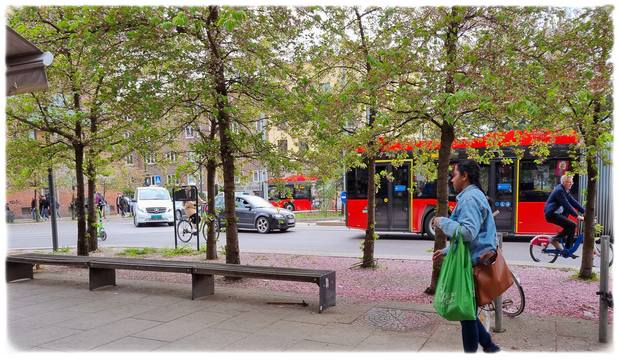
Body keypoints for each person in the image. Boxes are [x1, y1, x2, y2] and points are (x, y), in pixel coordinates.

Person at [431, 159, 501, 353]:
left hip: (472, 264)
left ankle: (482, 349)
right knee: (466, 311)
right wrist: (446, 251)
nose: (451, 179)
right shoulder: (474, 196)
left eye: (454, 174)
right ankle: (489, 346)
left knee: (466, 313)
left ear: (465, 176)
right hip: (475, 259)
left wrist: (442, 221)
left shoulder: (469, 199)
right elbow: (472, 237)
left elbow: (468, 233)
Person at [544, 174, 585, 253]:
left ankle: (567, 250)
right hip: (552, 214)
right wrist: (577, 216)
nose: (571, 183)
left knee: (571, 226)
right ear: (563, 182)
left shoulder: (565, 190)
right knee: (572, 225)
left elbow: (573, 202)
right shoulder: (559, 190)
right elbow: (566, 204)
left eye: (571, 182)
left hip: (558, 213)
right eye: (568, 182)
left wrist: (585, 212)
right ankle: (554, 239)